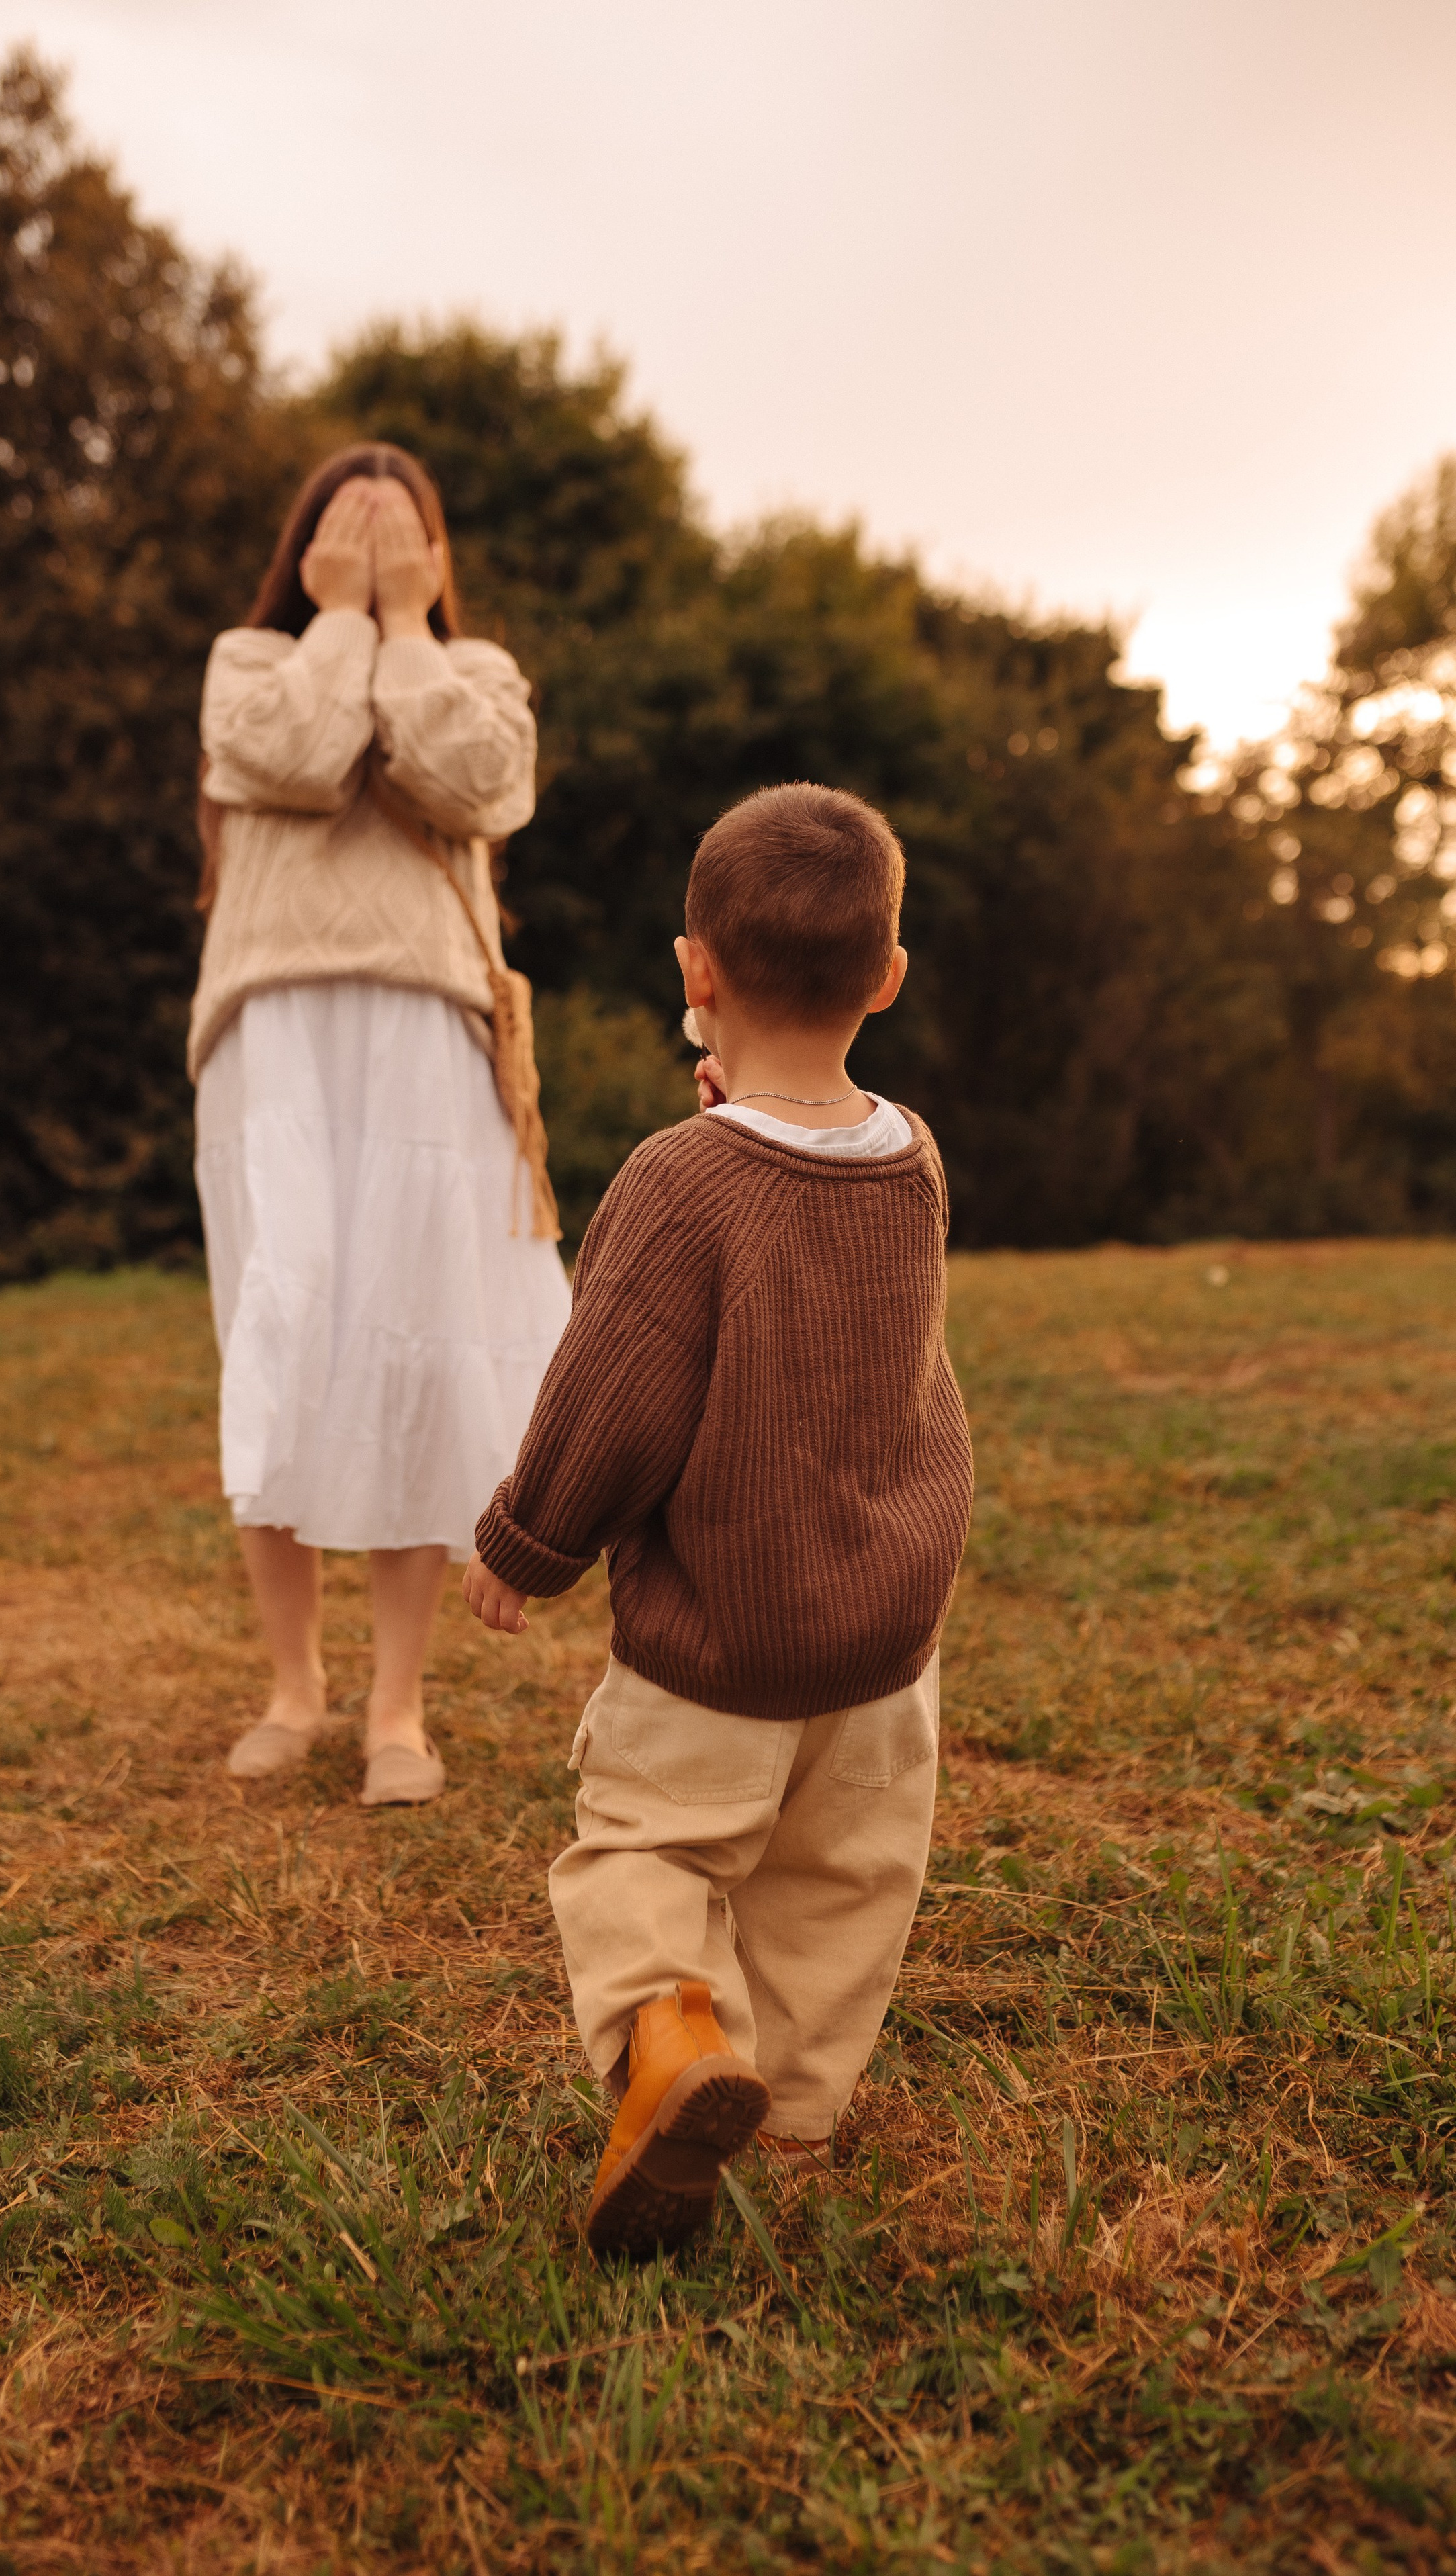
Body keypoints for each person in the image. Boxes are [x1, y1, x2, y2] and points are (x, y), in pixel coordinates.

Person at [461, 783, 973, 2254]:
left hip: (715, 1643)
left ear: (694, 973)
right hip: (879, 1646)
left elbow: (612, 1386)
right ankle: (796, 2120)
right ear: (882, 979)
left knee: (647, 1855)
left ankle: (679, 2049)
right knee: (841, 1887)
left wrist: (530, 1539)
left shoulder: (679, 1180)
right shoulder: (913, 1156)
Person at [189, 445, 571, 1808]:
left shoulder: (476, 678)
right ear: (304, 547)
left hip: (426, 1037)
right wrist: (342, 617)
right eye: (347, 529)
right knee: (280, 1333)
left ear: (436, 555)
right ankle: (294, 1682)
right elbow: (293, 754)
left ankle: (396, 1707)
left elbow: (471, 784)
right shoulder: (249, 663)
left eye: (394, 532)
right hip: (271, 1033)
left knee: (412, 1348)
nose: (369, 541)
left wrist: (405, 631)